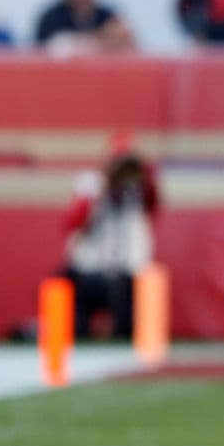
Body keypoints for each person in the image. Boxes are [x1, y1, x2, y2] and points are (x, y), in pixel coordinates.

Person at [63, 142, 159, 339]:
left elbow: (152, 201)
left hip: (125, 273)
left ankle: (122, 336)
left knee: (125, 289)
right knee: (62, 280)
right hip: (91, 271)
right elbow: (72, 223)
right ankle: (74, 333)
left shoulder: (136, 190)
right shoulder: (92, 186)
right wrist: (99, 193)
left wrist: (144, 171)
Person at [34, 0, 135, 54]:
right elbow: (44, 50)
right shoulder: (51, 17)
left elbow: (131, 47)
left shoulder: (108, 16)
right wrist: (101, 37)